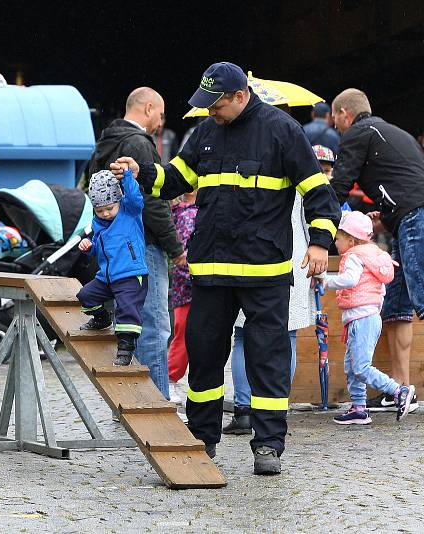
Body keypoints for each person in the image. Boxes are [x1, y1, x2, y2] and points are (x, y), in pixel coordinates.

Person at [112, 61, 340, 475]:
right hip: (212, 271)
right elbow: (175, 180)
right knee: (203, 357)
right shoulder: (204, 133)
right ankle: (202, 438)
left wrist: (322, 242)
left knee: (266, 360)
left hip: (264, 272)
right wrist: (140, 173)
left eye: (215, 104)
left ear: (240, 96)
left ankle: (268, 445)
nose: (209, 111)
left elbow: (318, 192)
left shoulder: (282, 130)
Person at [329, 88, 424, 414]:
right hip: (406, 220)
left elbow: (340, 184)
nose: (336, 127)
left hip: (415, 220)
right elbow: (407, 183)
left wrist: (321, 228)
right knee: (397, 309)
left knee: (422, 299)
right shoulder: (396, 134)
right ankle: (401, 389)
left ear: (344, 113)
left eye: (335, 119)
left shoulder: (359, 132)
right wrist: (385, 220)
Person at [87, 87, 184, 397]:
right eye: (160, 114)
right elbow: (153, 203)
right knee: (154, 329)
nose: (161, 121)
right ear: (149, 108)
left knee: (130, 326)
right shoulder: (138, 144)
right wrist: (176, 248)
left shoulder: (105, 143)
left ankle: (129, 404)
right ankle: (158, 405)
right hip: (143, 248)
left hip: (113, 252)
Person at [223, 192, 314, 434]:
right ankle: (277, 408)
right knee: (287, 335)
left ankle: (244, 410)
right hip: (293, 255)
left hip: (244, 254)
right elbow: (312, 219)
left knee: (242, 335)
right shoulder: (297, 162)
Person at [317, 211, 415, 423]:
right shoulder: (371, 254)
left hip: (361, 319)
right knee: (353, 366)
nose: (336, 243)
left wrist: (326, 281)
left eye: (338, 238)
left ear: (351, 239)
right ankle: (359, 408)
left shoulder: (354, 255)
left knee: (360, 367)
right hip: (367, 317)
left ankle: (398, 391)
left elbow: (350, 280)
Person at [77, 169, 148, 366]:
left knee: (126, 310)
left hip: (130, 275)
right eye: (100, 210)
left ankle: (125, 349)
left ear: (119, 201)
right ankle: (101, 319)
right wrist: (89, 247)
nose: (105, 213)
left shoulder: (130, 211)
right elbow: (100, 247)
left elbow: (134, 197)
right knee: (85, 296)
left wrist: (126, 178)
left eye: (109, 208)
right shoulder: (98, 223)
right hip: (107, 277)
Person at [167, 190, 198, 402]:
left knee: (187, 335)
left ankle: (174, 379)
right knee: (183, 334)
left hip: (189, 282)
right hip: (187, 284)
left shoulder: (178, 212)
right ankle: (170, 378)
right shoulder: (182, 212)